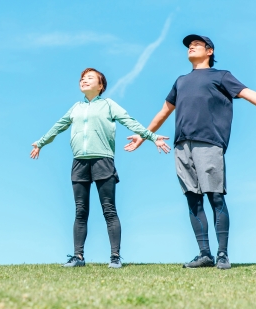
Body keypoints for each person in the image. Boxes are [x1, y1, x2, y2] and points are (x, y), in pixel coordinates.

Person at [124, 35, 256, 270]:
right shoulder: (181, 81)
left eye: (196, 44)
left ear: (209, 51)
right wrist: (143, 136)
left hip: (209, 143)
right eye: (188, 45)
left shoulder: (221, 76)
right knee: (193, 200)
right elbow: (164, 111)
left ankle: (223, 254)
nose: (191, 47)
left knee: (215, 196)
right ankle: (204, 254)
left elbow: (248, 93)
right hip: (181, 145)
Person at [31, 68, 170, 269]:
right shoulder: (75, 108)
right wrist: (41, 143)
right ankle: (78, 256)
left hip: (103, 161)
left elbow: (130, 122)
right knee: (80, 211)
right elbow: (58, 126)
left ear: (100, 85)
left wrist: (153, 137)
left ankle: (115, 256)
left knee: (109, 209)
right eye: (82, 78)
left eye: (89, 78)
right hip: (79, 162)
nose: (84, 81)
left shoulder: (108, 105)